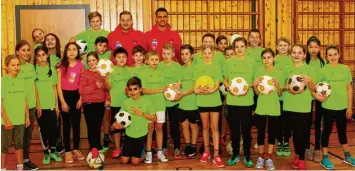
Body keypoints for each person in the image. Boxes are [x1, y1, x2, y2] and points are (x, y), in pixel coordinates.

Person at [317, 45, 355, 169]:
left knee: (342, 131)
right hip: (327, 107)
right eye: (330, 55)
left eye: (335, 54)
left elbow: (349, 88)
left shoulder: (345, 69)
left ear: (339, 55)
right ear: (326, 57)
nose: (333, 57)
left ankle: (347, 155)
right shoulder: (323, 70)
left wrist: (349, 106)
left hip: (342, 107)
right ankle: (325, 157)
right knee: (326, 131)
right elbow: (316, 88)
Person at [111, 77, 157, 166]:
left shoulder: (147, 102)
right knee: (124, 161)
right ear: (128, 90)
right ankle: (132, 152)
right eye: (130, 90)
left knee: (134, 162)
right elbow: (119, 119)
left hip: (141, 135)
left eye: (135, 89)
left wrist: (142, 114)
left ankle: (145, 153)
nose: (133, 92)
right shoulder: (126, 103)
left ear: (140, 89)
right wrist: (116, 125)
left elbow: (154, 118)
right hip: (129, 134)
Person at [284, 44, 316, 170]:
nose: (296, 55)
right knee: (293, 134)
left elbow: (314, 89)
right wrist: (289, 88)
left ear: (304, 55)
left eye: (299, 53)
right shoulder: (287, 69)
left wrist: (310, 81)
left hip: (303, 107)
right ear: (291, 54)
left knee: (301, 134)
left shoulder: (310, 69)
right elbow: (283, 87)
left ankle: (301, 159)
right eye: (294, 52)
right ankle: (297, 155)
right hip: (289, 106)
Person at [224, 37, 254, 168]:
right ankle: (235, 154)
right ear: (233, 48)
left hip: (247, 102)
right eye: (237, 47)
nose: (239, 49)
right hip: (232, 101)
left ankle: (247, 155)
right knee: (235, 131)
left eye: (242, 46)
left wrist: (248, 87)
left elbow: (255, 81)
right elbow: (225, 79)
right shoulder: (228, 62)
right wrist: (228, 87)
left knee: (247, 131)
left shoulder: (252, 62)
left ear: (246, 48)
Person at [252, 48, 283, 170]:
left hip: (274, 108)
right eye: (264, 58)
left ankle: (269, 158)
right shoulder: (259, 72)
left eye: (269, 57)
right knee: (260, 134)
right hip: (261, 108)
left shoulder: (279, 73)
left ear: (273, 58)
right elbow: (257, 93)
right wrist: (255, 86)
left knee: (271, 134)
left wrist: (277, 85)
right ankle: (260, 157)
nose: (266, 60)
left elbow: (280, 94)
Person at [194, 44, 224, 168]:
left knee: (214, 127)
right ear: (201, 54)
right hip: (202, 101)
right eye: (204, 53)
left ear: (213, 54)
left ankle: (216, 154)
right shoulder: (197, 68)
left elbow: (217, 84)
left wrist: (212, 90)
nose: (207, 55)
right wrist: (198, 90)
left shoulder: (216, 67)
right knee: (205, 127)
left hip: (214, 101)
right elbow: (195, 88)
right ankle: (206, 151)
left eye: (209, 53)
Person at [33, 46, 63, 164]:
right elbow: (35, 88)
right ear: (35, 57)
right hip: (40, 107)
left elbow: (55, 88)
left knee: (54, 130)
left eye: (43, 55)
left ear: (47, 55)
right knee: (43, 130)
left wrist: (56, 105)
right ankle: (46, 153)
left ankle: (54, 151)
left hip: (51, 105)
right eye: (39, 55)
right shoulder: (34, 69)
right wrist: (38, 105)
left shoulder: (52, 70)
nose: (42, 58)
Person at [57, 42, 85, 163]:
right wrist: (62, 102)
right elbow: (58, 86)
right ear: (65, 51)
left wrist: (81, 98)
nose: (72, 52)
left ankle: (76, 149)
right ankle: (67, 151)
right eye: (69, 49)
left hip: (76, 96)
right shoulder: (61, 65)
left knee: (76, 124)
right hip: (64, 96)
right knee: (67, 125)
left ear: (77, 52)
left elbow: (82, 83)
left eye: (74, 49)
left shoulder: (80, 65)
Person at [1, 55, 30, 170]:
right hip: (6, 122)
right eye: (13, 65)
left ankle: (20, 167)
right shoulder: (3, 81)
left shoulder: (22, 80)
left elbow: (24, 100)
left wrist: (27, 116)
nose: (16, 67)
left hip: (20, 120)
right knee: (4, 146)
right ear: (6, 67)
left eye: (18, 65)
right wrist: (6, 120)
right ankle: (2, 168)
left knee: (19, 144)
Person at [79, 51, 110, 152]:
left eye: (93, 60)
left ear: (98, 61)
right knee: (92, 126)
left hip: (100, 103)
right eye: (89, 61)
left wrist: (107, 99)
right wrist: (95, 85)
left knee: (98, 125)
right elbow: (82, 90)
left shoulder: (102, 73)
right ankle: (94, 147)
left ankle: (97, 146)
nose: (91, 62)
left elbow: (107, 88)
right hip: (88, 104)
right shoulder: (85, 74)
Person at [15, 40, 40, 170]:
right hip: (20, 107)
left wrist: (38, 104)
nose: (26, 53)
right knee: (20, 135)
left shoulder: (31, 67)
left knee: (28, 135)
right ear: (17, 52)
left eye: (28, 50)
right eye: (23, 50)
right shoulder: (15, 67)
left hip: (32, 106)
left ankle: (26, 159)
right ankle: (19, 162)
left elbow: (34, 86)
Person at [141, 51, 168, 163]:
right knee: (150, 129)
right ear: (147, 61)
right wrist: (159, 90)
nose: (154, 62)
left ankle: (160, 153)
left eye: (156, 59)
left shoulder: (162, 71)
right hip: (148, 106)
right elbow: (144, 90)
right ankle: (148, 154)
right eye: (152, 59)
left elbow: (166, 87)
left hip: (160, 104)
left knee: (159, 128)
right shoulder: (144, 72)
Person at [158, 44, 183, 158]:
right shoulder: (158, 66)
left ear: (173, 54)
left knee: (174, 125)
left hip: (174, 102)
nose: (166, 56)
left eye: (168, 54)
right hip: (161, 101)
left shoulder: (177, 66)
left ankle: (177, 146)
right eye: (164, 53)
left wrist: (176, 87)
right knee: (161, 125)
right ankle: (163, 146)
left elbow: (179, 82)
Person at [305, 36, 326, 162]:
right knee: (307, 122)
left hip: (319, 95)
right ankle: (307, 148)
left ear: (319, 48)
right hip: (307, 95)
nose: (313, 49)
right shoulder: (305, 62)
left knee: (318, 122)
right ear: (307, 48)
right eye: (311, 47)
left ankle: (317, 149)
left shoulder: (323, 63)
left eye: (316, 47)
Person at [107, 47, 131, 158]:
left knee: (128, 126)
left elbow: (133, 88)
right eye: (119, 57)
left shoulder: (130, 71)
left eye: (124, 57)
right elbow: (108, 87)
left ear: (127, 58)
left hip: (128, 104)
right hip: (116, 103)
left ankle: (127, 148)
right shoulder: (111, 71)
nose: (121, 59)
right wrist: (105, 79)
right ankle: (117, 148)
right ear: (114, 59)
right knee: (116, 127)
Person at [178, 44, 199, 157]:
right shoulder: (180, 69)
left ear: (192, 55)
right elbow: (179, 83)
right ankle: (188, 144)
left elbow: (195, 87)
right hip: (182, 103)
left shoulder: (196, 69)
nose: (184, 56)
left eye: (187, 54)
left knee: (193, 125)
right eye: (182, 54)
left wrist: (183, 94)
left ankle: (194, 145)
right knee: (184, 125)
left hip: (193, 103)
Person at [274, 37, 292, 157]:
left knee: (288, 122)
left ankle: (287, 142)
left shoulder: (293, 59)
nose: (283, 47)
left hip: (290, 97)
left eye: (285, 45)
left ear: (289, 47)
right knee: (278, 122)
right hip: (276, 96)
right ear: (276, 47)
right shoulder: (273, 59)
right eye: (280, 45)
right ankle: (280, 141)